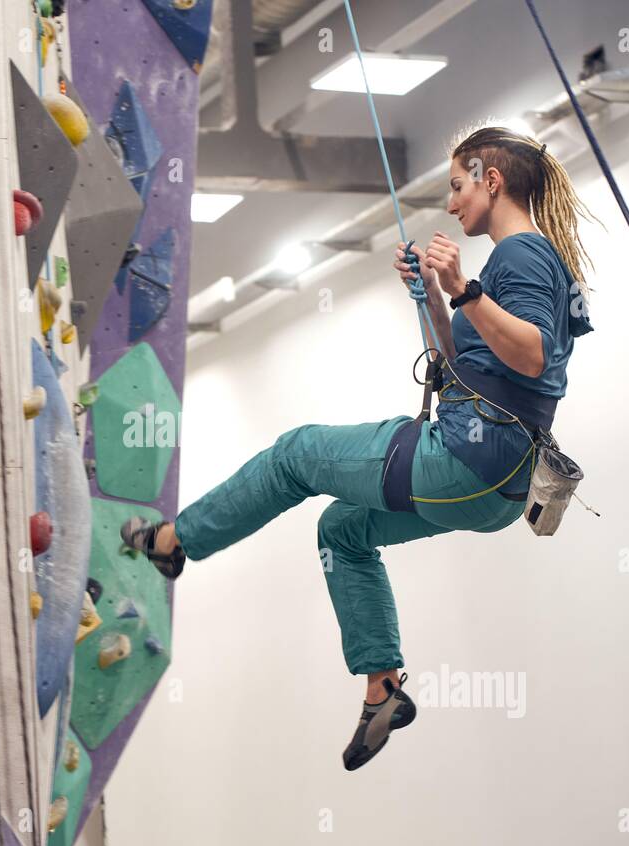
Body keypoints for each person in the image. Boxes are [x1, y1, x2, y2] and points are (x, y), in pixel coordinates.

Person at [120, 125, 599, 770]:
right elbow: (468, 364)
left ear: (493, 179)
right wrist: (433, 295)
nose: (452, 205)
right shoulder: (524, 265)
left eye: (457, 186)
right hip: (496, 492)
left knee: (295, 454)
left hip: (466, 462)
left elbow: (535, 355)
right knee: (341, 529)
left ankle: (174, 543)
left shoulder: (521, 256)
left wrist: (464, 290)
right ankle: (382, 689)